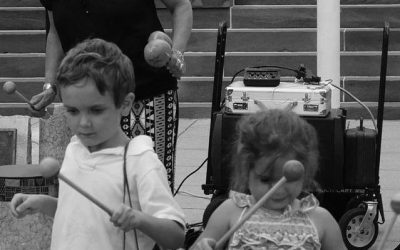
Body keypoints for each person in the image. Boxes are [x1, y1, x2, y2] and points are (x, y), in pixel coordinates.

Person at [10, 38, 185, 250]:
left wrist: (139, 219)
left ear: (125, 104)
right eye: (72, 111)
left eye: (96, 110)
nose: (83, 123)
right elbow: (81, 215)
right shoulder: (75, 149)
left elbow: (176, 237)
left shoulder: (139, 162)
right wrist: (42, 203)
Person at [31, 0, 193, 190]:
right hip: (87, 99)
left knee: (147, 184)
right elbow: (55, 31)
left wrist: (177, 54)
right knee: (96, 188)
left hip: (144, 93)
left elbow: (181, 5)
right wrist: (50, 84)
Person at [190, 109, 346, 250]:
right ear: (247, 171)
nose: (277, 189)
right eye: (265, 179)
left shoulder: (320, 220)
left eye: (288, 179)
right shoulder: (231, 212)